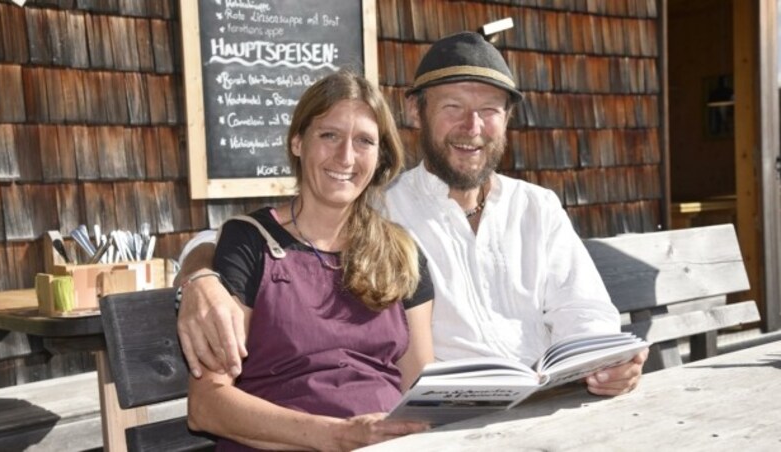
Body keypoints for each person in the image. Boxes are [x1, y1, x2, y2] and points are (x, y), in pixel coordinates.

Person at [176, 32, 647, 398]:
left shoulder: (537, 207)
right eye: (453, 108)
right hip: (453, 421)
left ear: (507, 120)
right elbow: (250, 236)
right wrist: (201, 276)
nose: (473, 128)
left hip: (552, 403)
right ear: (416, 113)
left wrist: (606, 360)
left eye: (489, 110)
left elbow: (583, 310)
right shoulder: (379, 205)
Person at [184, 70, 435, 451]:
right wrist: (336, 436)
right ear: (298, 142)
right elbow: (206, 405)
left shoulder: (401, 254)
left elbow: (418, 388)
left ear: (380, 154)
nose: (346, 157)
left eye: (364, 141)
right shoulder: (251, 243)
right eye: (329, 135)